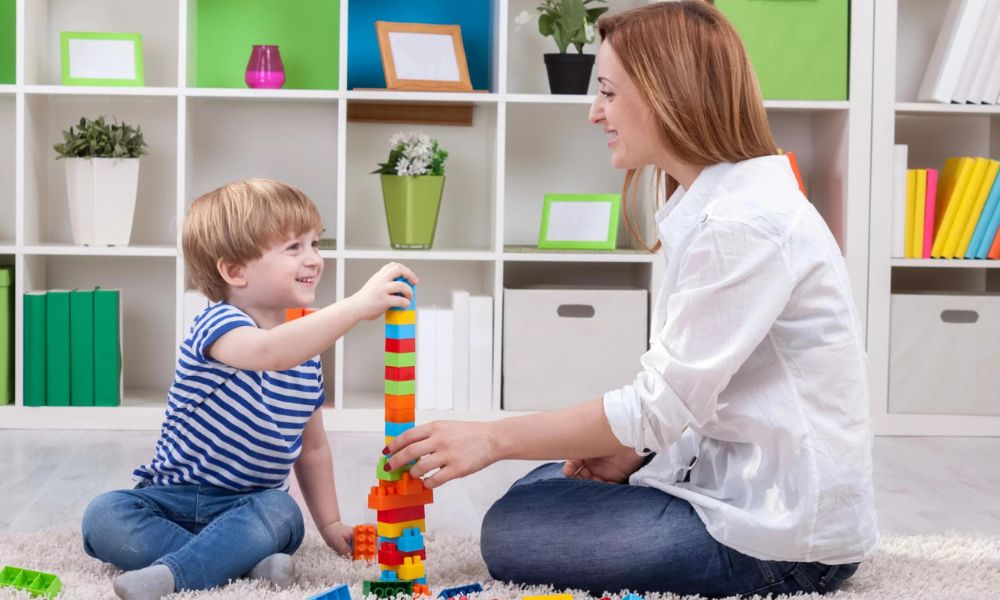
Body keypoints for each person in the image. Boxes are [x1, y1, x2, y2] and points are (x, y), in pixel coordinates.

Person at [383, 2, 878, 597]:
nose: (596, 113)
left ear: (670, 94)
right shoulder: (717, 207)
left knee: (512, 528)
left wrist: (492, 438)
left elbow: (659, 406)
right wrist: (635, 459)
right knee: (543, 484)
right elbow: (712, 397)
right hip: (739, 487)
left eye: (610, 93)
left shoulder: (742, 225)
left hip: (785, 544)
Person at [80, 178, 419, 600]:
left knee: (283, 513)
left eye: (315, 243)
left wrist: (330, 525)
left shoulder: (306, 353)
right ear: (234, 270)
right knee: (104, 516)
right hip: (170, 499)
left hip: (250, 507)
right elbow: (269, 351)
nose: (314, 258)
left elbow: (312, 449)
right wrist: (354, 306)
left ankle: (196, 567)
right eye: (294, 248)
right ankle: (233, 568)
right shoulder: (218, 324)